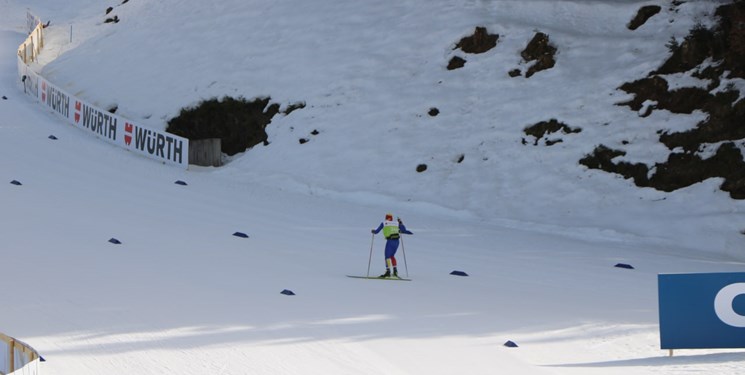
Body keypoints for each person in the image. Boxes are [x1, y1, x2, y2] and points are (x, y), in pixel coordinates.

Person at [371, 213, 413, 278]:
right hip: (397, 242)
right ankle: (395, 271)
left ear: (386, 218)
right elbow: (404, 230)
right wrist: (401, 223)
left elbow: (376, 232)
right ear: (392, 218)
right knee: (392, 256)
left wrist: (373, 231)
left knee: (387, 256)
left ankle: (388, 272)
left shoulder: (384, 223)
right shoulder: (396, 223)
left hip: (390, 241)